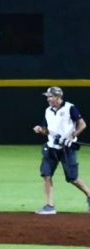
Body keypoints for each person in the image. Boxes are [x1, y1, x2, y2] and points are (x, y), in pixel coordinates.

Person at [33, 86, 90, 214]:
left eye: (51, 96)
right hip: (51, 148)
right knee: (46, 174)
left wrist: (72, 135)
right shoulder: (48, 111)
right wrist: (40, 130)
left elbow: (82, 124)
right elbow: (46, 130)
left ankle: (89, 194)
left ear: (58, 97)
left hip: (67, 149)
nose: (48, 99)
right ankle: (49, 205)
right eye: (48, 97)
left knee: (72, 178)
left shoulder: (70, 108)